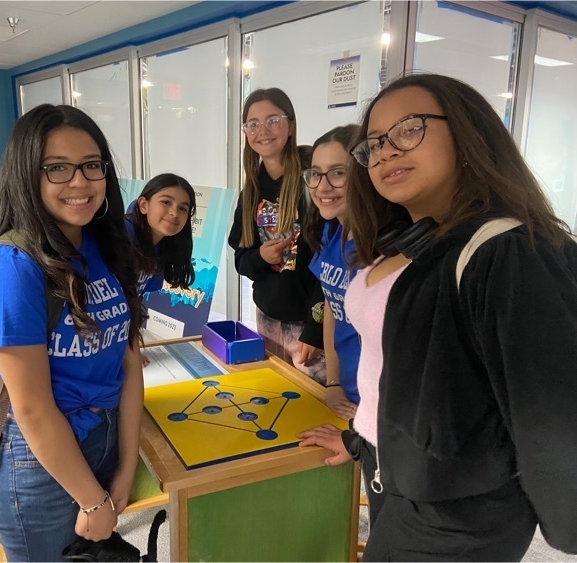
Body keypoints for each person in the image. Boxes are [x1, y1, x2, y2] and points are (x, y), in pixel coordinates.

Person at [301, 73, 577, 560]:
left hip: (457, 508)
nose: (385, 152)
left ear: (468, 134)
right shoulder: (402, 239)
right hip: (392, 472)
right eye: (373, 144)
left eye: (409, 129)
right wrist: (361, 439)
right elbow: (397, 374)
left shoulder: (505, 250)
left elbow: (550, 409)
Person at [0, 104, 145, 562]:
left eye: (91, 165)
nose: (80, 182)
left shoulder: (102, 246)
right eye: (57, 168)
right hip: (36, 462)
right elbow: (33, 409)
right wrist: (91, 500)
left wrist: (126, 464)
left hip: (101, 437)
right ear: (25, 174)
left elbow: (129, 360)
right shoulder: (11, 270)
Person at [228, 88, 325, 383]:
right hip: (267, 320)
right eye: (253, 124)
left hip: (310, 326)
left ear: (291, 125)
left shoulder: (313, 180)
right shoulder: (252, 190)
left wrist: (316, 328)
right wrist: (260, 256)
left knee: (316, 406)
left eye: (273, 120)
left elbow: (333, 259)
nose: (263, 131)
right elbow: (241, 259)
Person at [302, 125, 361, 420]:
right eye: (316, 174)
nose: (322, 186)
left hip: (380, 403)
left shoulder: (384, 247)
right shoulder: (330, 231)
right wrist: (334, 382)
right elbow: (331, 308)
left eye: (338, 173)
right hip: (346, 390)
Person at [125, 173, 196, 296]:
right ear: (144, 205)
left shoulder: (162, 247)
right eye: (166, 202)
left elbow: (137, 296)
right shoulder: (123, 233)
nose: (174, 213)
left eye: (183, 208)